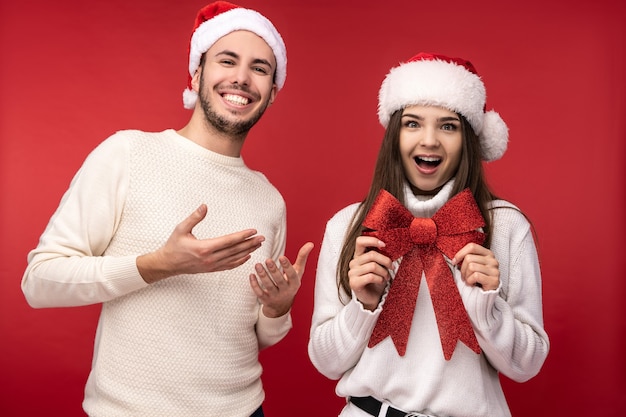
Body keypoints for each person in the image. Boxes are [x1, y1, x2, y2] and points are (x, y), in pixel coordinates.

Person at [21, 2, 313, 416]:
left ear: (272, 92)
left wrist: (276, 307)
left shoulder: (269, 200)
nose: (242, 78)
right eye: (227, 61)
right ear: (196, 73)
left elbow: (257, 336)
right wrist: (158, 264)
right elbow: (39, 282)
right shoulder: (128, 153)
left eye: (260, 69)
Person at [308, 52, 549, 417]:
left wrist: (486, 307)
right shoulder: (348, 225)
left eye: (448, 126)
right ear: (394, 135)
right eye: (413, 123)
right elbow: (326, 362)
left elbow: (526, 367)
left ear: (467, 138)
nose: (430, 140)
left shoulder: (506, 226)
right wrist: (363, 307)